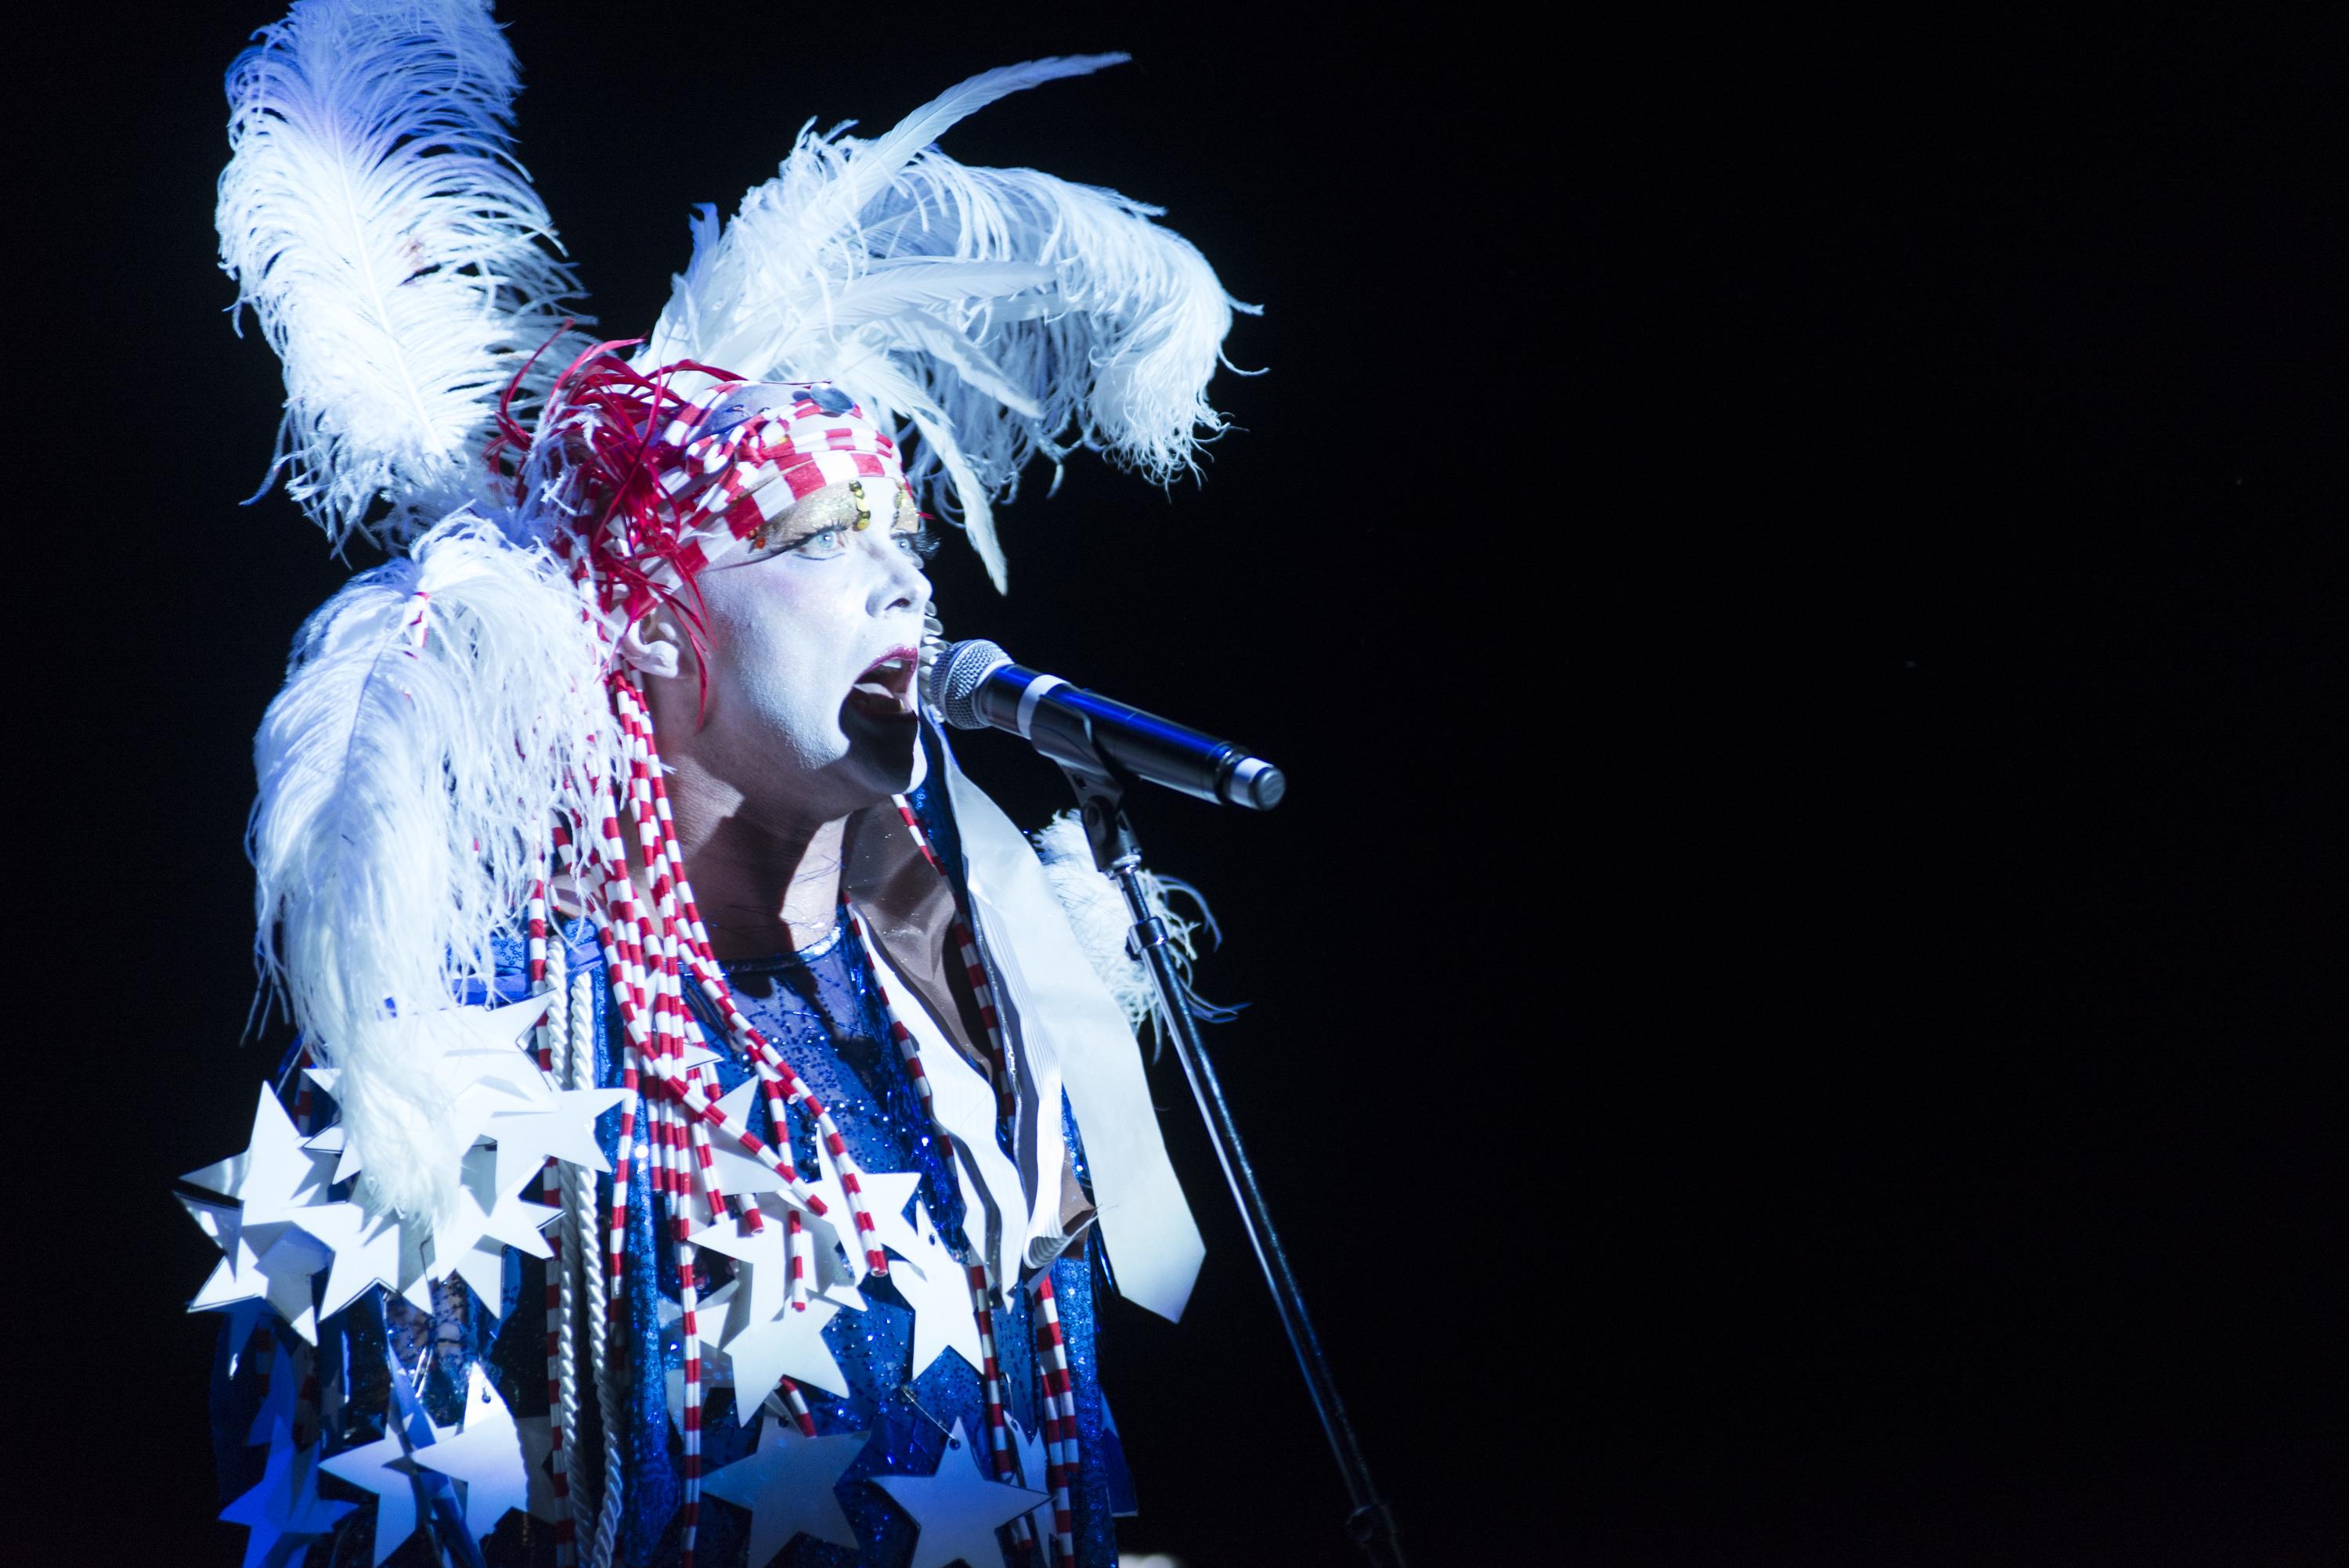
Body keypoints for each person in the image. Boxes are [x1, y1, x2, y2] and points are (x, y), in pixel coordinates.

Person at [182, 5, 1247, 1565]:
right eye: (819, 537)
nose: (903, 592)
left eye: (905, 540)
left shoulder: (988, 999)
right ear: (650, 633)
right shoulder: (441, 1073)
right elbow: (364, 1520)